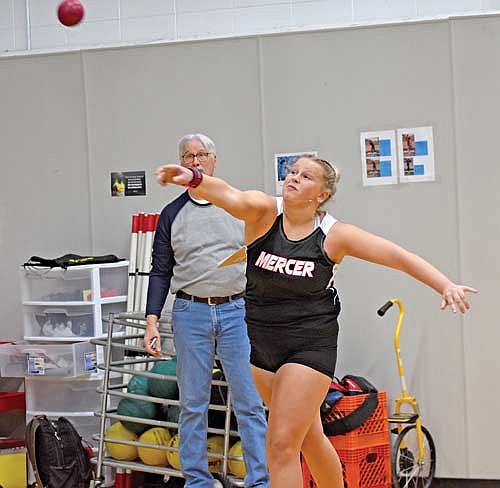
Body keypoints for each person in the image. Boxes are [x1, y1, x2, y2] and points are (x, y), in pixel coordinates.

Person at [153, 153, 477, 488]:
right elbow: (229, 194)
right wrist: (194, 178)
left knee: (280, 445)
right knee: (310, 437)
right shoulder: (264, 213)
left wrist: (444, 284)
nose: (293, 178)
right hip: (262, 344)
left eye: (305, 176)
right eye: (292, 172)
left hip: (309, 345)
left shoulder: (335, 235)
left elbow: (397, 256)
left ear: (321, 194)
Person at [144, 134, 269, 488]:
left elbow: (261, 258)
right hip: (190, 313)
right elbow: (160, 270)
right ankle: (197, 481)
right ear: (181, 164)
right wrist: (152, 321)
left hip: (237, 313)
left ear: (215, 161)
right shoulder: (171, 215)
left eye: (202, 155)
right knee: (192, 404)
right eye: (188, 156)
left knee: (249, 402)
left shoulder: (239, 208)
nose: (195, 161)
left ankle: (259, 481)